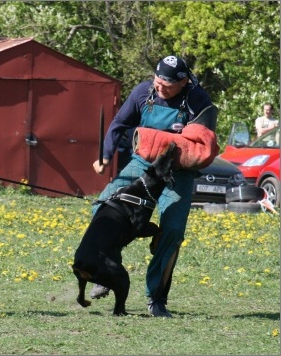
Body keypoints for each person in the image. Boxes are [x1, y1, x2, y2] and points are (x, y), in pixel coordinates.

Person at [90, 55, 217, 317]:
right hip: (143, 163)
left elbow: (204, 143)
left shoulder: (197, 100)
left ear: (183, 81)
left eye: (166, 85)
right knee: (102, 207)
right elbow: (120, 124)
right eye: (157, 82)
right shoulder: (143, 92)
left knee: (172, 231)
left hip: (178, 171)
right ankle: (106, 269)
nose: (159, 89)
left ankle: (156, 299)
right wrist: (105, 155)